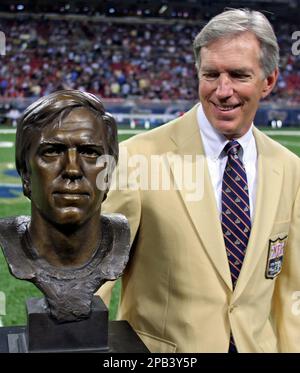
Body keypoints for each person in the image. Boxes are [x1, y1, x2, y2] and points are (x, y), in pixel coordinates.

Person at [97, 9, 300, 352]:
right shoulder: (136, 158)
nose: (223, 90)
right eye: (211, 74)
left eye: (238, 75)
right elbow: (97, 277)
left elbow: (291, 291)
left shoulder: (290, 168)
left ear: (268, 80)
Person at [0, 90, 130, 322]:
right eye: (52, 151)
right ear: (25, 174)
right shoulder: (11, 238)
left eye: (90, 152)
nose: (72, 169)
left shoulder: (119, 238)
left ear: (108, 175)